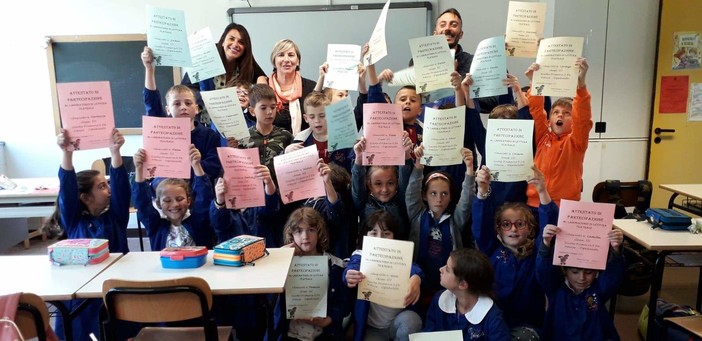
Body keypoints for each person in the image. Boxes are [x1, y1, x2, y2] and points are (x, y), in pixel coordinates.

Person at [49, 128, 130, 341]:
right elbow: (67, 190)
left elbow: (122, 189)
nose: (109, 189)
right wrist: (67, 153)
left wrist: (115, 152)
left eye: (107, 183)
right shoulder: (74, 221)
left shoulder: (116, 217)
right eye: (102, 186)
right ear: (85, 197)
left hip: (114, 289)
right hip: (81, 293)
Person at [472, 164, 557, 339]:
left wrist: (542, 191)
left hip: (526, 325)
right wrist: (482, 190)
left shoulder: (538, 254)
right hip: (493, 321)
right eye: (506, 224)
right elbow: (480, 225)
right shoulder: (492, 249)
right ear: (498, 229)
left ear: (530, 229)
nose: (513, 229)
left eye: (520, 224)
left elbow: (549, 227)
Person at [407, 146, 475, 312]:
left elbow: (466, 201)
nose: (439, 199)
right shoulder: (417, 215)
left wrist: (470, 169)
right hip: (419, 278)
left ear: (451, 196)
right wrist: (418, 165)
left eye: (444, 194)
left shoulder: (455, 221)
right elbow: (411, 192)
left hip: (446, 286)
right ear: (424, 195)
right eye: (433, 193)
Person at [269, 207, 351, 340]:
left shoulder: (335, 265)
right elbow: (267, 285)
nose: (305, 237)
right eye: (298, 231)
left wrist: (329, 319)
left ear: (319, 233)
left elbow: (344, 302)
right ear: (291, 235)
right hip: (290, 334)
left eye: (311, 230)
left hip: (323, 334)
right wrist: (281, 256)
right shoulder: (284, 264)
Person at [141, 48, 222, 181]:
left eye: (188, 103)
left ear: (197, 109)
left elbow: (214, 168)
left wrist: (196, 163)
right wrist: (150, 70)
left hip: (198, 193)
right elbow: (152, 105)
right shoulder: (162, 131)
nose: (183, 107)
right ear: (168, 109)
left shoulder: (209, 135)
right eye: (177, 104)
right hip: (166, 192)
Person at [343, 211, 424, 341]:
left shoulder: (400, 255)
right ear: (365, 236)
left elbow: (414, 268)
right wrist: (349, 274)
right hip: (373, 328)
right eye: (374, 233)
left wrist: (416, 278)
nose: (380, 238)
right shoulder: (360, 254)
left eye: (386, 234)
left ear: (394, 236)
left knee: (411, 320)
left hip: (397, 323)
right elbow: (353, 265)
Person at [536, 224, 626, 340]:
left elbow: (613, 275)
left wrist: (616, 250)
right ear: (565, 270)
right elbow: (543, 271)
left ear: (597, 272)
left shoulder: (598, 289)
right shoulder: (555, 288)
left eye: (588, 272)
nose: (582, 278)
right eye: (574, 272)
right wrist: (546, 244)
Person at [525, 58, 592, 208]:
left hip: (563, 206)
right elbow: (536, 111)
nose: (560, 115)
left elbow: (583, 119)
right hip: (534, 205)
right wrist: (535, 83)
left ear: (574, 120)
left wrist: (580, 86)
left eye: (567, 113)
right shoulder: (543, 137)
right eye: (556, 112)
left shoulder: (576, 142)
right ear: (549, 120)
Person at [459, 73, 533, 206]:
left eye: (510, 122)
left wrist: (517, 90)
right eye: (499, 124)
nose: (505, 127)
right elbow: (473, 119)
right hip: (489, 202)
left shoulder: (525, 144)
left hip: (518, 206)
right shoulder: (487, 142)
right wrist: (467, 92)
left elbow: (526, 118)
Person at [408, 8, 499, 113]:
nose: (447, 28)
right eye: (442, 25)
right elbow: (412, 98)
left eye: (453, 25)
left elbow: (492, 103)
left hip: (465, 125)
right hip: (429, 123)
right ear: (435, 33)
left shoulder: (476, 62)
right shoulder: (419, 62)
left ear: (460, 34)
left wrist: (462, 89)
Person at [132, 145, 214, 250]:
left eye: (179, 199)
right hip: (166, 266)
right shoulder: (155, 226)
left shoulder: (198, 222)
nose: (175, 204)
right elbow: (142, 204)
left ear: (188, 201)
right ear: (158, 204)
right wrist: (139, 169)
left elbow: (204, 198)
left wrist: (196, 165)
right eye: (167, 200)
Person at [424, 248, 511, 340]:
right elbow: (429, 333)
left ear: (462, 284)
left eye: (447, 269)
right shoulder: (439, 299)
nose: (441, 269)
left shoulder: (492, 317)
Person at [351, 134, 413, 240]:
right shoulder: (363, 202)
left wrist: (405, 155)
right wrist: (359, 159)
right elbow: (358, 184)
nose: (384, 189)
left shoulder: (402, 202)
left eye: (390, 183)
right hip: (370, 254)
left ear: (397, 183)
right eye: (378, 184)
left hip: (398, 253)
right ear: (369, 184)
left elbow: (406, 179)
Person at [285, 91, 355, 173]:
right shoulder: (300, 141)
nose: (317, 121)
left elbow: (353, 170)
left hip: (338, 184)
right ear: (306, 118)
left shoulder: (344, 140)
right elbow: (288, 172)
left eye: (322, 116)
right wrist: (287, 154)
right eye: (312, 117)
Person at [210, 166, 280, 245]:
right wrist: (220, 201)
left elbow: (271, 205)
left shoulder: (255, 204)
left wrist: (268, 182)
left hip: (263, 253)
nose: (239, 184)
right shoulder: (223, 209)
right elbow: (219, 223)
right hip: (234, 255)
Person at [238, 83, 294, 181]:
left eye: (273, 107)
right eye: (263, 108)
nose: (269, 112)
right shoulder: (243, 138)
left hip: (280, 192)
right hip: (253, 191)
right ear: (252, 111)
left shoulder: (286, 136)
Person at [191, 23, 268, 90]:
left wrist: (261, 79)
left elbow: (262, 79)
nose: (235, 45)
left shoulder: (247, 64)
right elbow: (190, 87)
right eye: (231, 39)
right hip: (205, 105)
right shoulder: (207, 56)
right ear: (223, 42)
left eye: (241, 42)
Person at [267, 39, 317, 135]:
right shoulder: (264, 88)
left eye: (291, 55)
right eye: (281, 55)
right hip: (272, 147)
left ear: (298, 61)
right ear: (274, 61)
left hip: (305, 147)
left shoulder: (311, 87)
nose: (286, 60)